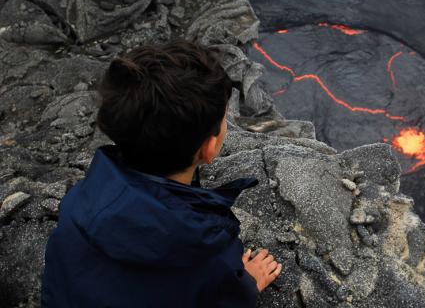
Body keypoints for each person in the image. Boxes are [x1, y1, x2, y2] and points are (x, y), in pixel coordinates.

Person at [41, 41, 282, 307]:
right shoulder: (203, 251)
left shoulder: (78, 200)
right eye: (225, 119)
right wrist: (245, 285)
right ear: (209, 148)